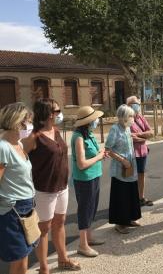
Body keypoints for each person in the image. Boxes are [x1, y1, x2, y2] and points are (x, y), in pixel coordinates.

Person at [22, 98, 80, 273]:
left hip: (62, 187)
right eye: (57, 110)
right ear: (48, 114)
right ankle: (43, 268)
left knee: (60, 222)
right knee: (43, 229)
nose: (59, 113)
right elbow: (17, 158)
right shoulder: (34, 137)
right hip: (44, 190)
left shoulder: (56, 130)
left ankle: (63, 259)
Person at [0, 102, 37, 274]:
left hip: (26, 206)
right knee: (17, 259)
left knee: (24, 255)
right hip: (13, 209)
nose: (29, 125)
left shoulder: (19, 144)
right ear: (16, 122)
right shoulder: (3, 147)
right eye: (27, 121)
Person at [71, 106, 105, 257]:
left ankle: (89, 238)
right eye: (95, 120)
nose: (97, 121)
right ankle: (82, 245)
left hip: (94, 176)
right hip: (84, 179)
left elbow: (93, 153)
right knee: (85, 210)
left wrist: (100, 153)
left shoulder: (88, 134)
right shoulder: (78, 137)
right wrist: (99, 157)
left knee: (92, 208)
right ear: (88, 122)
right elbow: (82, 164)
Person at [105, 104, 141, 234]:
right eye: (130, 116)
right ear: (124, 117)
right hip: (120, 168)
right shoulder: (115, 129)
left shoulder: (127, 128)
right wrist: (122, 160)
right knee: (121, 196)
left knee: (131, 193)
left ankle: (130, 218)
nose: (133, 118)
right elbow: (108, 150)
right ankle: (120, 223)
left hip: (130, 167)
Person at [126, 96, 154, 206]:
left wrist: (138, 135)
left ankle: (141, 197)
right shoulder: (126, 118)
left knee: (141, 174)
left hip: (142, 151)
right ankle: (131, 199)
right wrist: (143, 137)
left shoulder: (141, 118)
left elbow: (151, 132)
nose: (136, 106)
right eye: (133, 104)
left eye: (137, 103)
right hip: (131, 153)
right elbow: (127, 136)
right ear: (128, 106)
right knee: (130, 176)